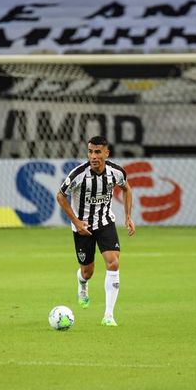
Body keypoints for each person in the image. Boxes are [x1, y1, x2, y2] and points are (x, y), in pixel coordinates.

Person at [56, 135, 135, 327]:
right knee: (88, 271)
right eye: (90, 152)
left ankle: (109, 315)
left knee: (113, 263)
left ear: (106, 153)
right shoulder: (78, 174)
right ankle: (82, 282)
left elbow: (127, 188)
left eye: (98, 152)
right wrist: (76, 221)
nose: (93, 156)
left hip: (106, 223)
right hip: (83, 228)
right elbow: (60, 196)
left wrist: (127, 216)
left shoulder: (116, 172)